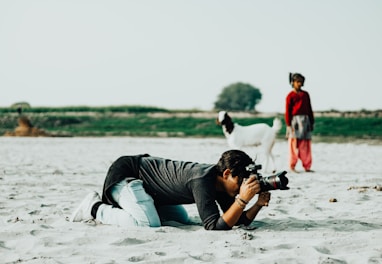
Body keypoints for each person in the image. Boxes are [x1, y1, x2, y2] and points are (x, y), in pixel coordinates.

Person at [70, 150, 271, 230]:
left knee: (181, 220)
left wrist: (258, 204)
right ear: (226, 173)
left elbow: (235, 219)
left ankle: (141, 206)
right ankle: (94, 207)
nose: (243, 187)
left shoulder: (222, 186)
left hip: (151, 191)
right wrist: (242, 200)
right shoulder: (203, 180)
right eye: (241, 181)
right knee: (148, 224)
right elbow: (213, 227)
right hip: (128, 175)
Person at [285, 72, 314, 173]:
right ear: (293, 82)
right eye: (298, 82)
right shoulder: (290, 96)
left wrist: (312, 122)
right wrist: (288, 124)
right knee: (293, 144)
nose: (299, 84)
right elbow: (288, 111)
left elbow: (309, 108)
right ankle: (292, 165)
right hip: (294, 122)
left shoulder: (305, 95)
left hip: (305, 121)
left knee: (305, 144)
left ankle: (307, 166)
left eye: (301, 82)